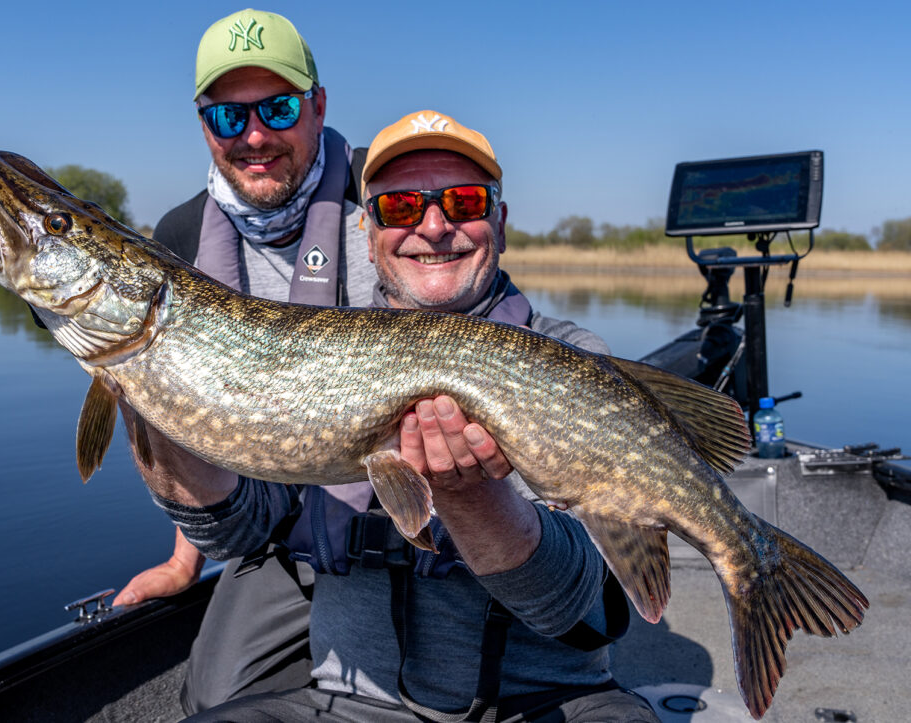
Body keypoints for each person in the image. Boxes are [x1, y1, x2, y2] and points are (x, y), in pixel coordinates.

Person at [133, 107, 661, 722]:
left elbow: (567, 604)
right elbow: (238, 531)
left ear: (500, 220)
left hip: (545, 705)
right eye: (401, 208)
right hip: (347, 705)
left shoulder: (577, 361)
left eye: (463, 202)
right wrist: (152, 397)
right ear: (368, 231)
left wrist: (472, 502)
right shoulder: (321, 352)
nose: (434, 227)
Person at [112, 10, 493, 715]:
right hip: (282, 529)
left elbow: (480, 314)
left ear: (319, 105)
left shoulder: (388, 202)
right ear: (204, 124)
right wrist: (183, 558)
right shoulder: (180, 234)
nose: (254, 136)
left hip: (424, 504)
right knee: (209, 693)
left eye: (278, 107)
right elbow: (192, 399)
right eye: (229, 116)